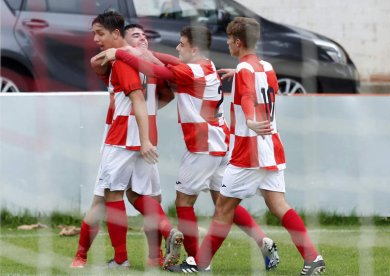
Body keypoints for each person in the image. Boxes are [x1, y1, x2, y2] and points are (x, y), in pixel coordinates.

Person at [98, 25, 280, 271]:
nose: (177, 47)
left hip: (202, 148)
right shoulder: (206, 65)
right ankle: (263, 241)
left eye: (181, 43)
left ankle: (194, 260)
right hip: (221, 144)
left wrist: (119, 53)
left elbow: (154, 69)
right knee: (223, 203)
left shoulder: (189, 73)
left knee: (183, 202)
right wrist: (142, 51)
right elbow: (169, 61)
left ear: (193, 49)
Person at [168, 17, 326, 275]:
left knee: (223, 209)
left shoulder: (244, 71)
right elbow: (264, 90)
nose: (228, 44)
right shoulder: (265, 66)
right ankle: (312, 257)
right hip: (271, 146)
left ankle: (200, 264)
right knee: (278, 205)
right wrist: (239, 77)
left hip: (248, 151)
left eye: (230, 40)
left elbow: (249, 97)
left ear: (238, 42)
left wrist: (250, 120)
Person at [70, 14, 182, 269]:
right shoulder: (146, 67)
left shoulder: (123, 62)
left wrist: (123, 53)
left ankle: (115, 258)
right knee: (147, 197)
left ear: (116, 34)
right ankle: (161, 249)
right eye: (137, 36)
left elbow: (139, 101)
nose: (142, 39)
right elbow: (165, 93)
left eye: (100, 33)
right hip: (145, 139)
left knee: (106, 198)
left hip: (122, 139)